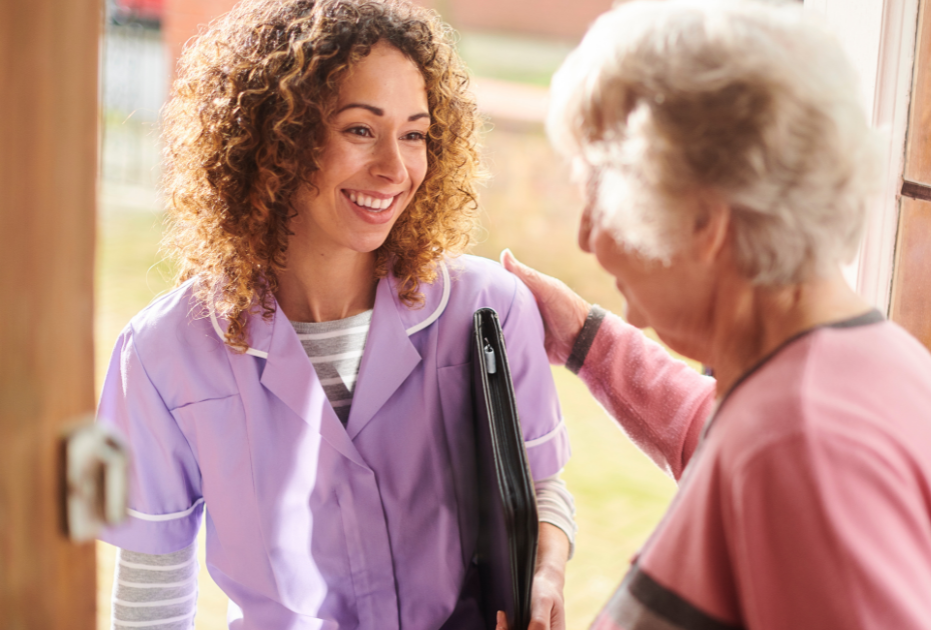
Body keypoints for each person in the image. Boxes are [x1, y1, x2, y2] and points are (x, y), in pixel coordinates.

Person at [498, 1, 931, 628]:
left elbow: (782, 455)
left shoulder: (802, 445)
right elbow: (727, 435)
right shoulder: (867, 362)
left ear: (704, 220)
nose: (587, 238)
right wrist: (585, 338)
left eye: (599, 191)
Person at [96, 1, 573, 628]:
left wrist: (547, 572)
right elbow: (152, 601)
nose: (395, 169)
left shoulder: (488, 312)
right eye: (359, 129)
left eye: (414, 134)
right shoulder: (163, 354)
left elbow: (539, 489)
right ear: (277, 137)